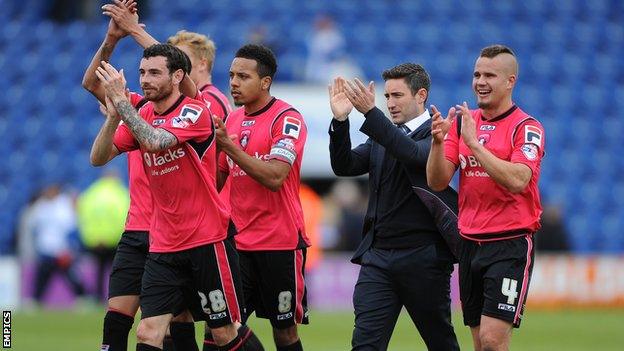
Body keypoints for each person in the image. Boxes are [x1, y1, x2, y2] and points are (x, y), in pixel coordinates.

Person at [93, 44, 264, 351]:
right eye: (142, 72)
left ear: (177, 76)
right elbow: (98, 157)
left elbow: (155, 141)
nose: (145, 79)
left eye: (155, 73)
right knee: (148, 331)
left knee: (224, 332)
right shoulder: (143, 112)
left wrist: (123, 104)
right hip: (163, 244)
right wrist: (112, 117)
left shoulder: (194, 111)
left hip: (206, 240)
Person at [82, 2, 193, 349]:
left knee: (178, 327)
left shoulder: (200, 106)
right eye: (144, 72)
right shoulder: (139, 106)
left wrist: (135, 30)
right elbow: (92, 83)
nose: (147, 77)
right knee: (117, 323)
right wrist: (112, 40)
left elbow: (178, 79)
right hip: (137, 229)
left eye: (159, 68)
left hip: (179, 234)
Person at [328, 64, 460, 350]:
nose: (389, 103)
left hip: (424, 258)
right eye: (386, 96)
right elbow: (345, 165)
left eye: (397, 95)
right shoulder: (385, 133)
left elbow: (412, 153)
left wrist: (371, 113)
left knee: (441, 342)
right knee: (365, 344)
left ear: (421, 94)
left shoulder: (437, 132)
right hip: (378, 259)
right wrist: (340, 122)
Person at [426, 44, 545, 351]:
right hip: (469, 242)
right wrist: (438, 143)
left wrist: (476, 146)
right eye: (477, 74)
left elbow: (520, 179)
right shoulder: (463, 123)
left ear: (510, 81)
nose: (480, 81)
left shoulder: (526, 127)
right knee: (480, 343)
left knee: (493, 340)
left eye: (490, 75)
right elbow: (437, 181)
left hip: (509, 242)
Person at [213, 44, 309, 351]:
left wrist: (231, 149)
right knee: (221, 329)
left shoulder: (287, 119)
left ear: (265, 82)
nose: (234, 83)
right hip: (237, 243)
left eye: (243, 76)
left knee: (284, 333)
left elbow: (274, 177)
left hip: (278, 243)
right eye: (231, 75)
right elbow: (215, 181)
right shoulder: (232, 121)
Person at [28, 184, 87, 305]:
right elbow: (33, 226)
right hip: (46, 249)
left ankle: (82, 297)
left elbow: (72, 226)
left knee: (71, 276)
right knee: (42, 277)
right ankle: (36, 300)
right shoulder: (40, 206)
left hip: (61, 250)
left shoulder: (63, 205)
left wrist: (70, 247)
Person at [76, 170, 128, 302]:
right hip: (114, 239)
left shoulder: (91, 193)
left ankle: (97, 298)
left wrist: (93, 237)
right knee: (118, 271)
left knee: (99, 270)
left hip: (94, 241)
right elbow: (125, 216)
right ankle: (118, 298)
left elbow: (83, 215)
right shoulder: (120, 193)